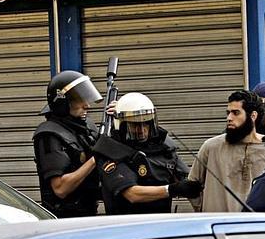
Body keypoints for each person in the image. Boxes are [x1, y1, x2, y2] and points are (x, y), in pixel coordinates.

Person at [94, 92, 203, 214]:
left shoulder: (164, 147)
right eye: (134, 125)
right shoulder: (111, 150)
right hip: (126, 225)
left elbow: (188, 179)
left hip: (160, 223)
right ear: (122, 125)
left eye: (145, 123)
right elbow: (132, 194)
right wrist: (171, 190)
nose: (141, 130)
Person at [188, 90, 265, 212]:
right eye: (228, 113)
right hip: (217, 227)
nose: (229, 118)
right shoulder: (211, 147)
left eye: (235, 113)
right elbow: (191, 187)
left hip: (258, 228)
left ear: (253, 116)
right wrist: (204, 210)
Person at [33, 70, 103, 218]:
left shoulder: (85, 127)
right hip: (65, 219)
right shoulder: (49, 135)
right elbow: (60, 188)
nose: (87, 105)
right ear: (63, 102)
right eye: (80, 100)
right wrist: (95, 159)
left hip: (89, 213)